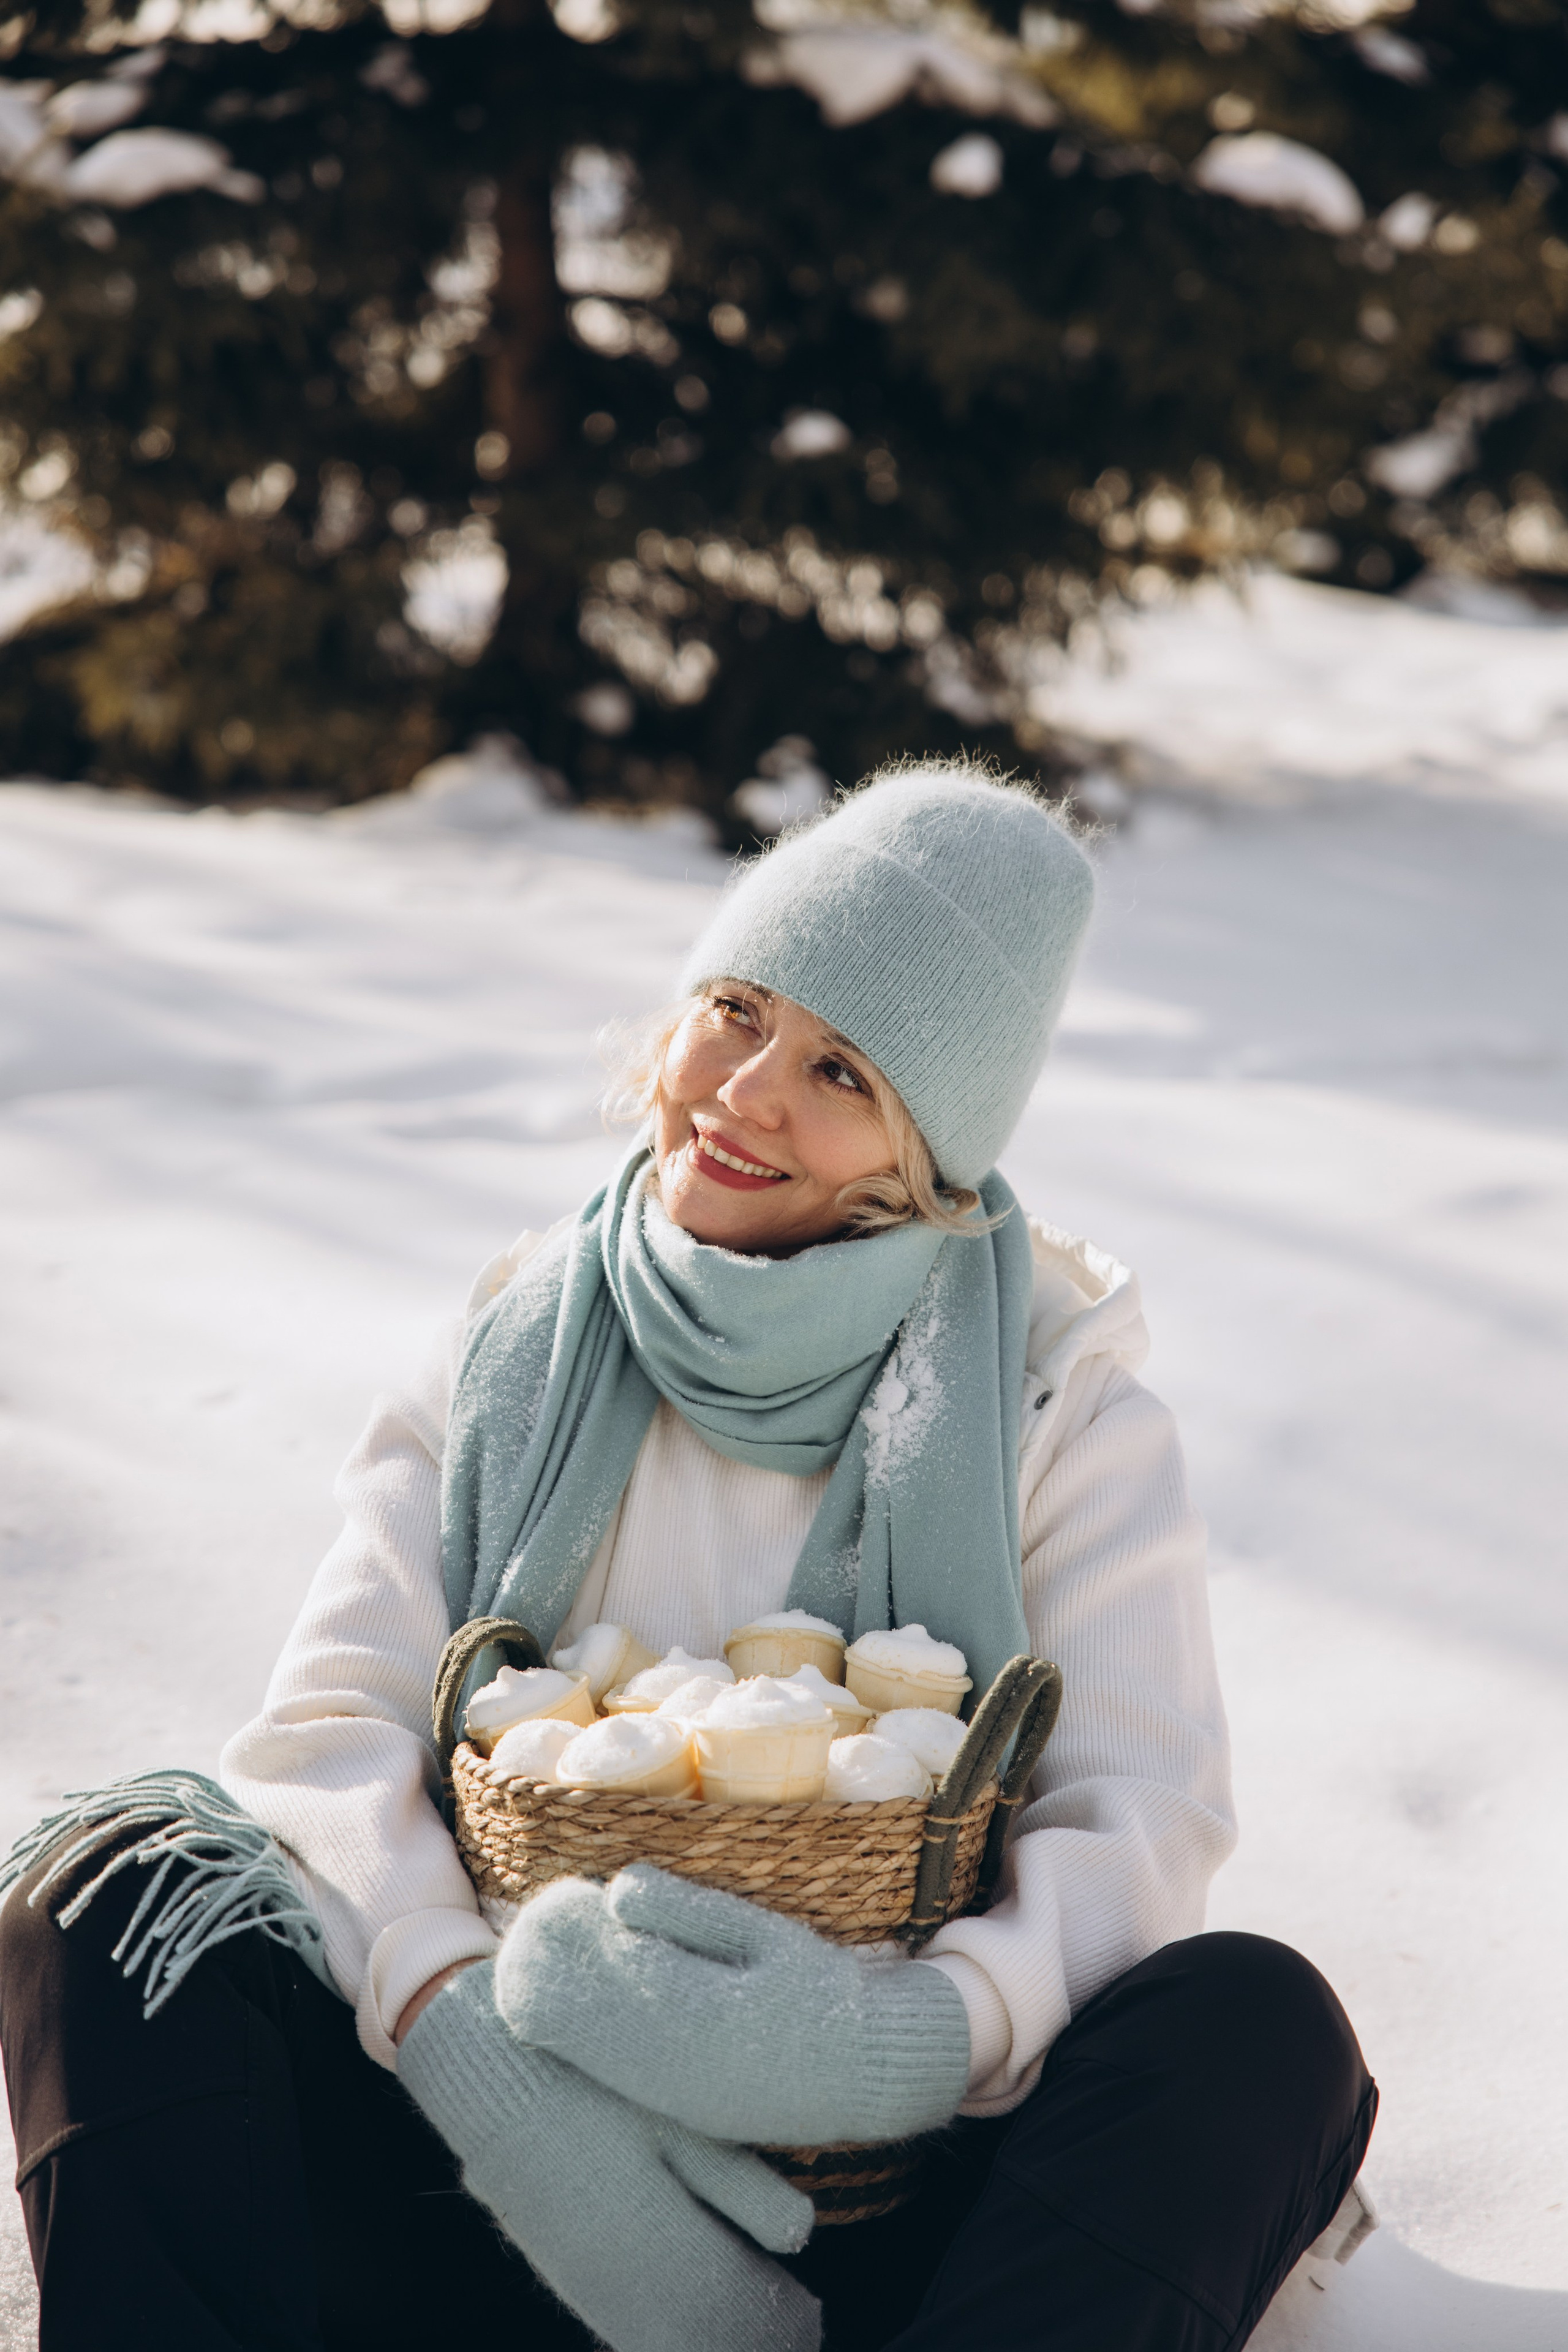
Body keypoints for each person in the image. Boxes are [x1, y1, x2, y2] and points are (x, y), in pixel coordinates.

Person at [0, 761, 1377, 2352]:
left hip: (874, 2228)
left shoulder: (1057, 1402)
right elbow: (331, 1733)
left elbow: (1140, 1822)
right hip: (485, 2180)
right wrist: (467, 2041)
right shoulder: (520, 1338)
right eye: (737, 1008)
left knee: (1254, 2028)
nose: (746, 1090)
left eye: (843, 1071)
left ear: (924, 1149)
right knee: (115, 1894)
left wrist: (901, 2048)